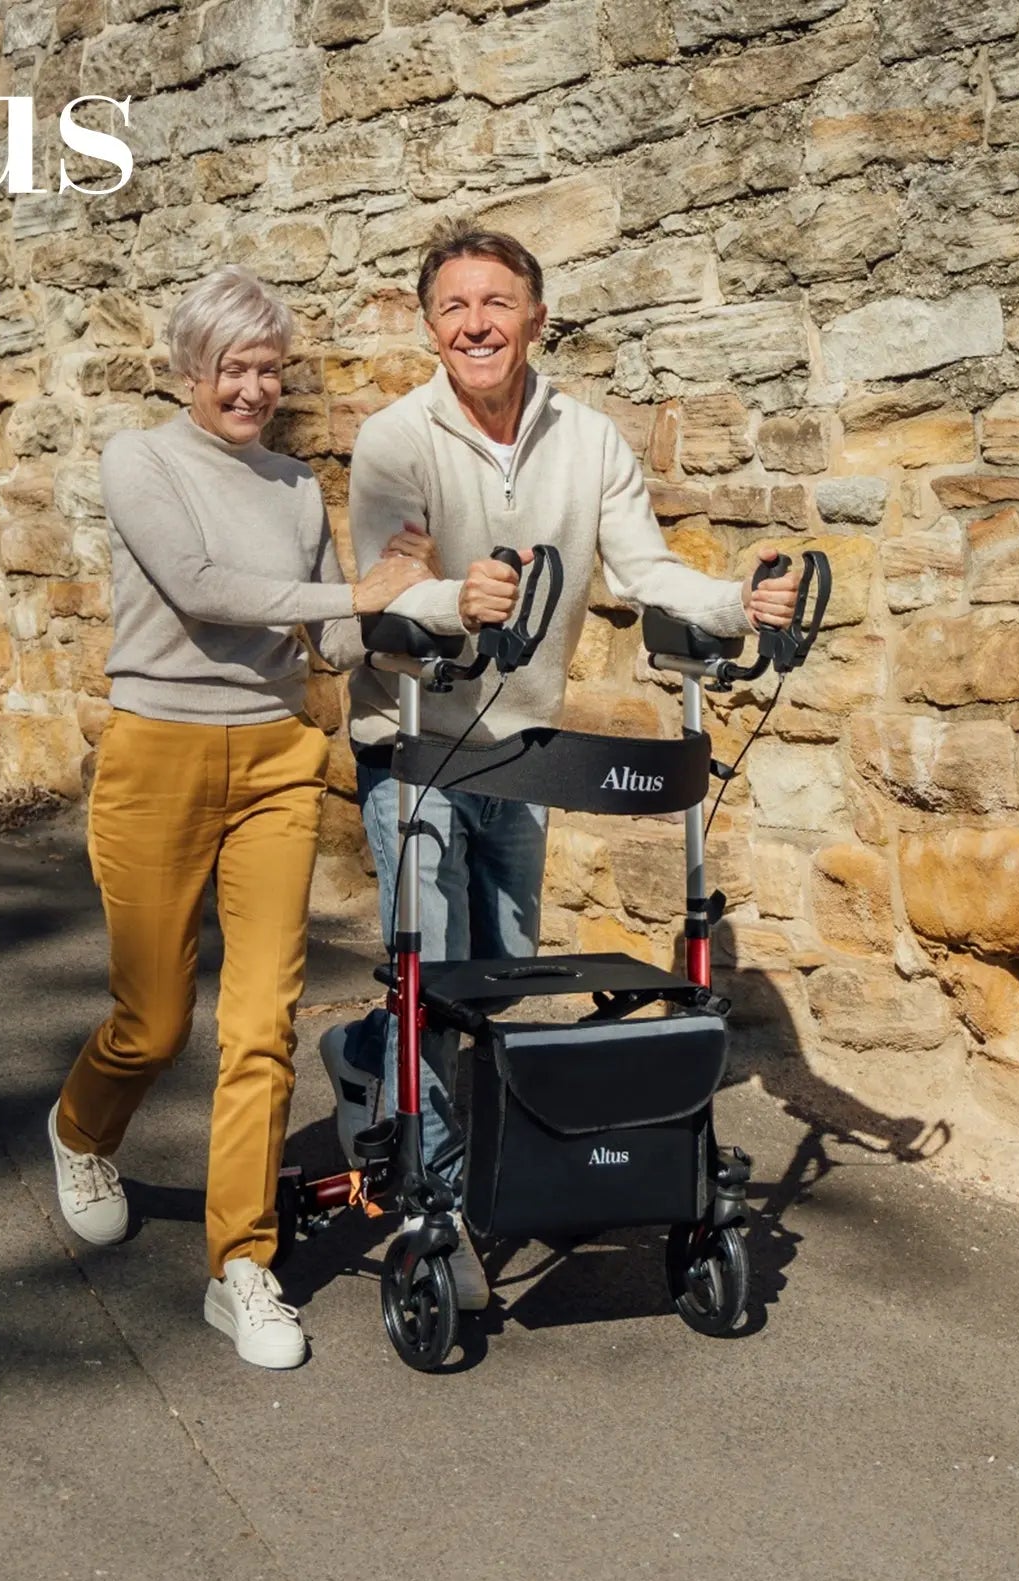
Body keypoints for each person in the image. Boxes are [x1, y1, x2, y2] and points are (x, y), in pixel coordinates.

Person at [320, 221, 802, 1310]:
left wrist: (738, 604)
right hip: (415, 740)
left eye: (497, 303)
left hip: (522, 749)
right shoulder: (397, 440)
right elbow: (383, 591)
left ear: (537, 317)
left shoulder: (587, 440)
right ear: (428, 325)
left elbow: (645, 567)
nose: (476, 323)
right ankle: (437, 1194)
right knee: (438, 970)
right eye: (454, 307)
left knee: (505, 968)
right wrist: (454, 601)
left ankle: (364, 1052)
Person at [47, 265, 433, 1370]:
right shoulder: (142, 459)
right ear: (188, 370)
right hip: (156, 754)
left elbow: (337, 644)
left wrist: (412, 596)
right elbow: (201, 585)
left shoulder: (295, 487)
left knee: (261, 1023)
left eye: (269, 369)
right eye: (235, 369)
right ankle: (81, 1133)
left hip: (273, 761)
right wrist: (350, 597)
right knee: (153, 1021)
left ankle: (240, 1266)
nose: (255, 389)